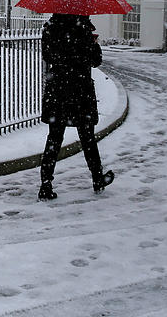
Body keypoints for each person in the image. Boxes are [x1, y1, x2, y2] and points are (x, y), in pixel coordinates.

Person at [38, 13, 114, 200]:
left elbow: (47, 55)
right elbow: (95, 61)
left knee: (54, 138)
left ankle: (45, 184)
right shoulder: (83, 29)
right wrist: (94, 44)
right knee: (87, 137)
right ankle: (97, 178)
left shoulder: (51, 27)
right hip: (80, 89)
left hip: (58, 89)